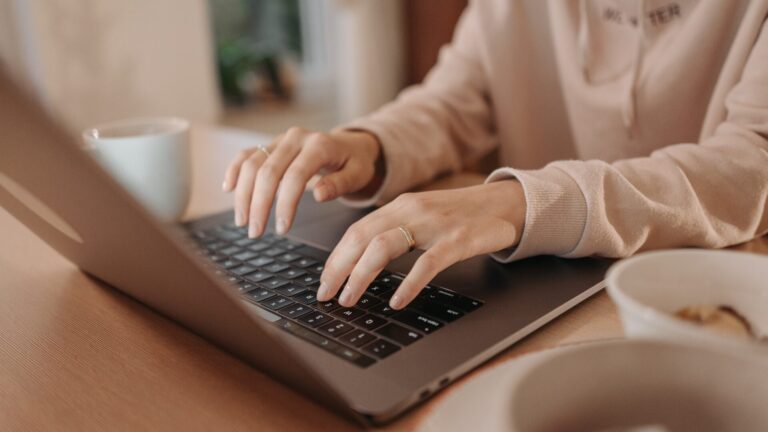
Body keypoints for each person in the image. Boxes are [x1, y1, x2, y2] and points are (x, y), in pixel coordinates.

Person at [222, 0, 768, 311]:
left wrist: (518, 204)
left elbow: (750, 163)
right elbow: (455, 100)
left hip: (702, 302)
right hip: (538, 295)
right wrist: (369, 145)